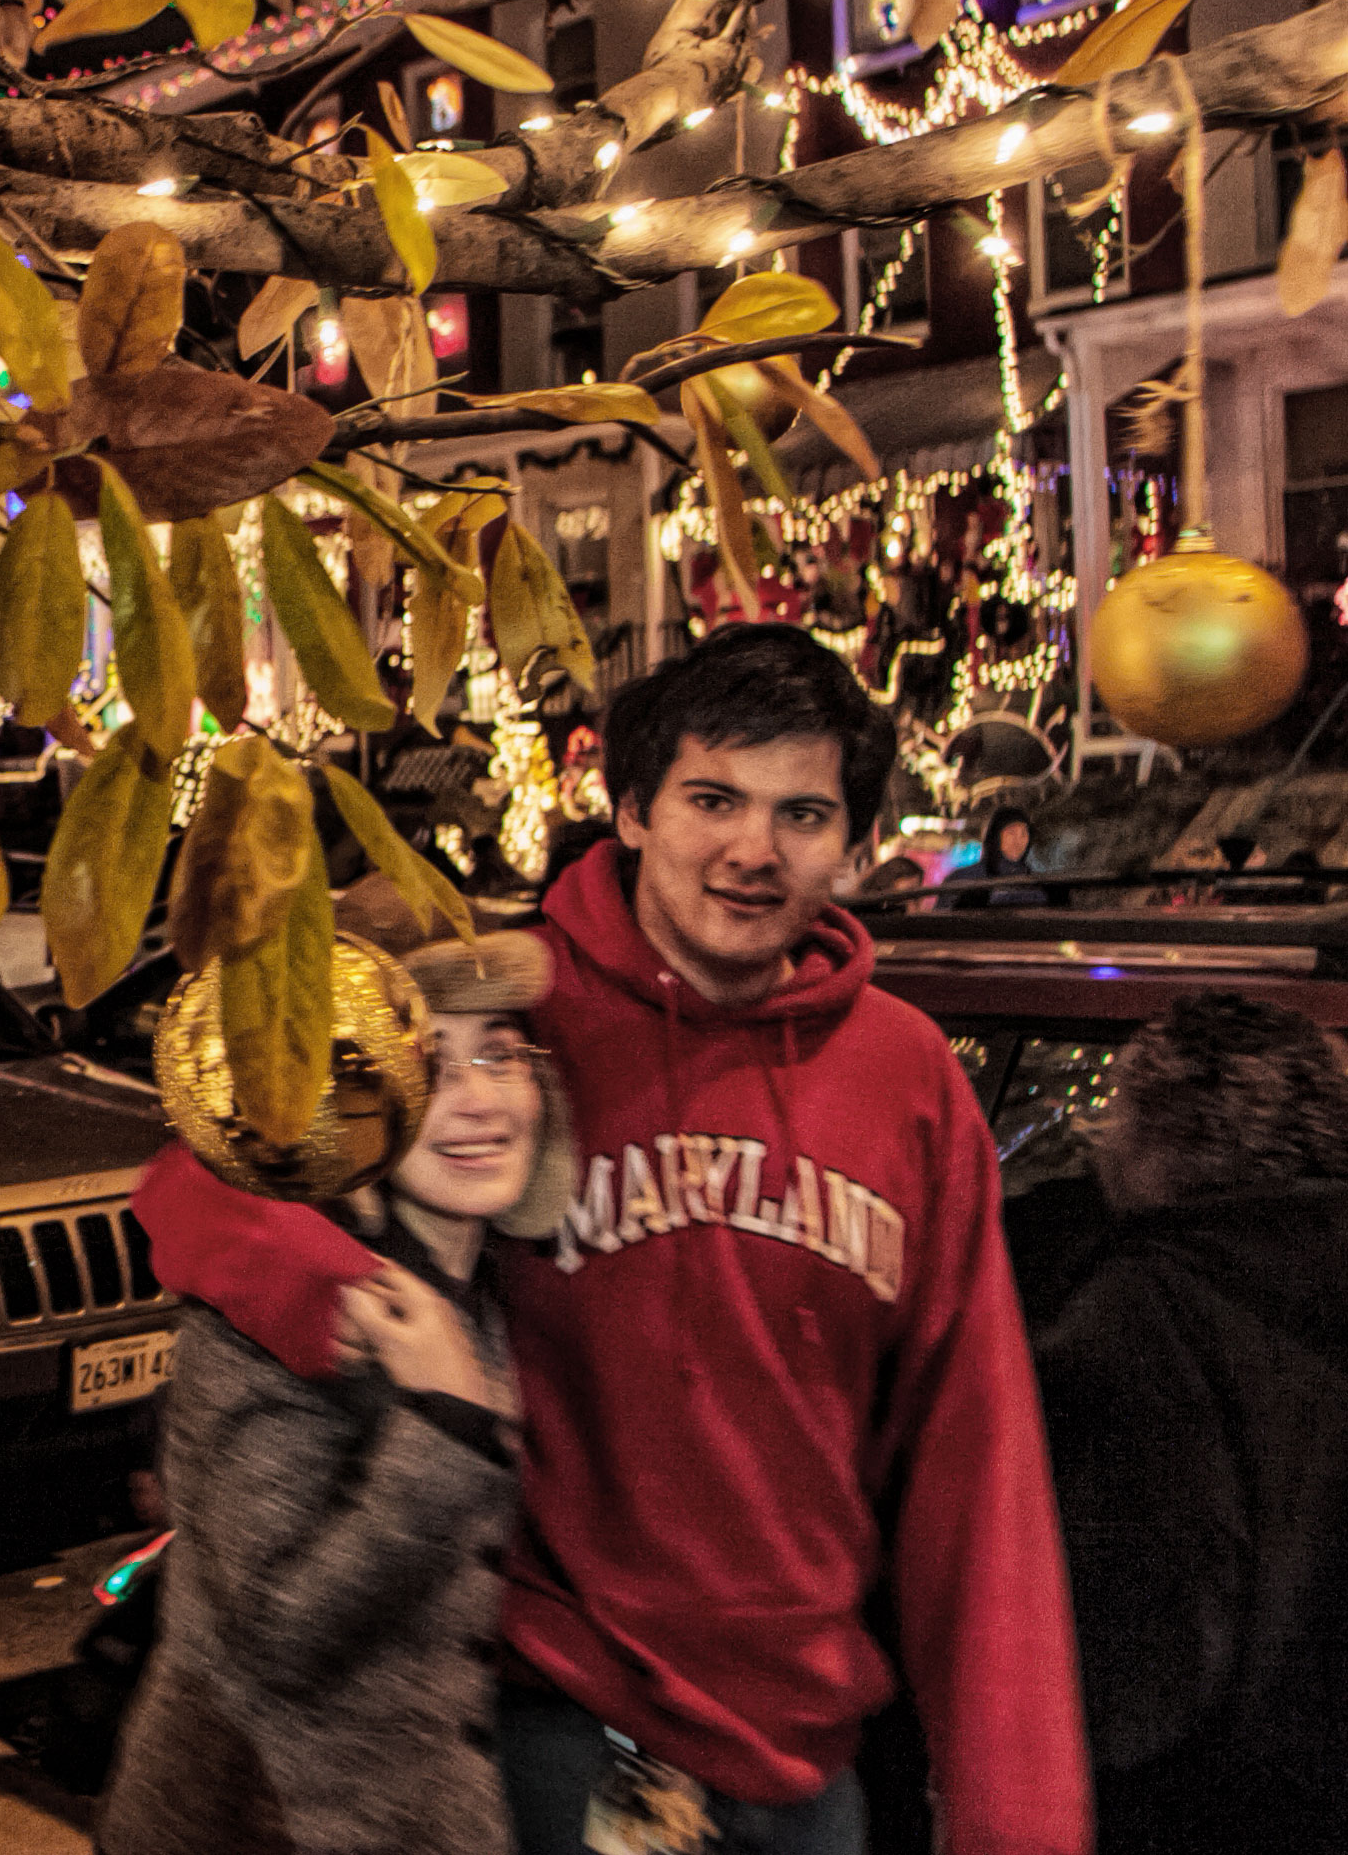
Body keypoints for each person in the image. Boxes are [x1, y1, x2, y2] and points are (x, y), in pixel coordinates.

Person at [140, 625, 1087, 1855]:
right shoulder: (508, 1014)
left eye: (803, 814)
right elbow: (206, 1174)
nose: (754, 850)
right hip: (555, 1731)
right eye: (713, 799)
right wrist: (371, 1311)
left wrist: (1017, 1815)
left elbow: (974, 1452)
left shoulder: (907, 1077)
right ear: (631, 809)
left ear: (853, 847)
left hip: (806, 1765)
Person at [102, 931, 569, 1855]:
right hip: (266, 1823)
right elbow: (278, 1635)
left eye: (501, 1054)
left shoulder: (487, 1288)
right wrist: (443, 1425)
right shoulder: (275, 1311)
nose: (479, 1098)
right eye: (428, 1067)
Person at [1031, 991, 1348, 1854]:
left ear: (1166, 1138)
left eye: (1118, 1114)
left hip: (1207, 1809)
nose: (1099, 1140)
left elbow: (1139, 1659)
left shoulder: (1143, 1317)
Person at [948, 806, 1054, 908]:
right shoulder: (965, 878)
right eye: (1011, 833)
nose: (1018, 841)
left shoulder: (1034, 880)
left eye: (1023, 834)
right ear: (996, 837)